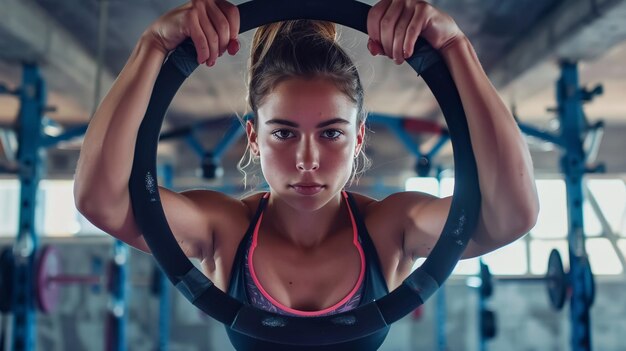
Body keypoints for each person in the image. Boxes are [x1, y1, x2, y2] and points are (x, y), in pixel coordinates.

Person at [75, 0, 538, 338]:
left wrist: (455, 47)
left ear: (358, 138)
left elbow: (512, 215)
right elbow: (101, 199)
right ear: (254, 138)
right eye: (284, 133)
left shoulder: (389, 228)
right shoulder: (226, 229)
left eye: (332, 133)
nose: (307, 159)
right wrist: (152, 46)